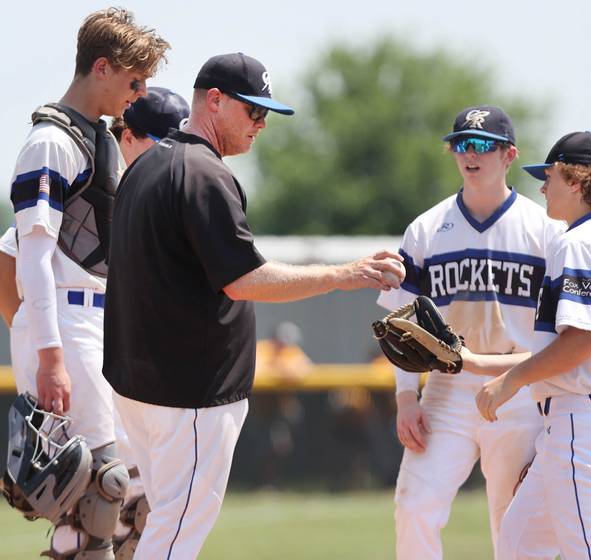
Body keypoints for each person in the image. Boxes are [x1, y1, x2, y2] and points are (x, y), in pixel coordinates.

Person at [103, 52, 406, 559]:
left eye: (267, 114)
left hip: (141, 390)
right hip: (189, 396)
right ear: (215, 101)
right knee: (174, 537)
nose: (261, 124)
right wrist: (342, 274)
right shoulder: (203, 173)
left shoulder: (145, 166)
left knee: (165, 525)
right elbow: (246, 280)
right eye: (253, 110)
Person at [6, 8, 168, 558]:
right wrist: (46, 351)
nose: (139, 94)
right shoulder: (50, 141)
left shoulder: (95, 138)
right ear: (101, 67)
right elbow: (27, 254)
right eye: (133, 81)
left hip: (96, 322)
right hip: (67, 324)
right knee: (102, 489)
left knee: (135, 490)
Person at [376, 105, 564, 559]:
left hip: (519, 388)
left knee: (513, 524)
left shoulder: (544, 229)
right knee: (415, 506)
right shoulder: (426, 228)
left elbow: (564, 329)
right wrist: (406, 397)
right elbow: (398, 324)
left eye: (482, 145)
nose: (470, 154)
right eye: (461, 144)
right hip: (447, 387)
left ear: (509, 154)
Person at [469, 131, 591, 559]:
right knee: (517, 546)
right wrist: (487, 365)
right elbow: (574, 343)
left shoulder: (579, 242)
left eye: (550, 175)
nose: (542, 187)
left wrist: (512, 382)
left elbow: (588, 338)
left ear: (575, 181)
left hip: (585, 425)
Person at [0, 86, 188, 329]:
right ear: (129, 137)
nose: (173, 158)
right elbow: (7, 255)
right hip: (70, 323)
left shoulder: (154, 194)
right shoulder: (91, 175)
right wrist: (23, 328)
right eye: (164, 146)